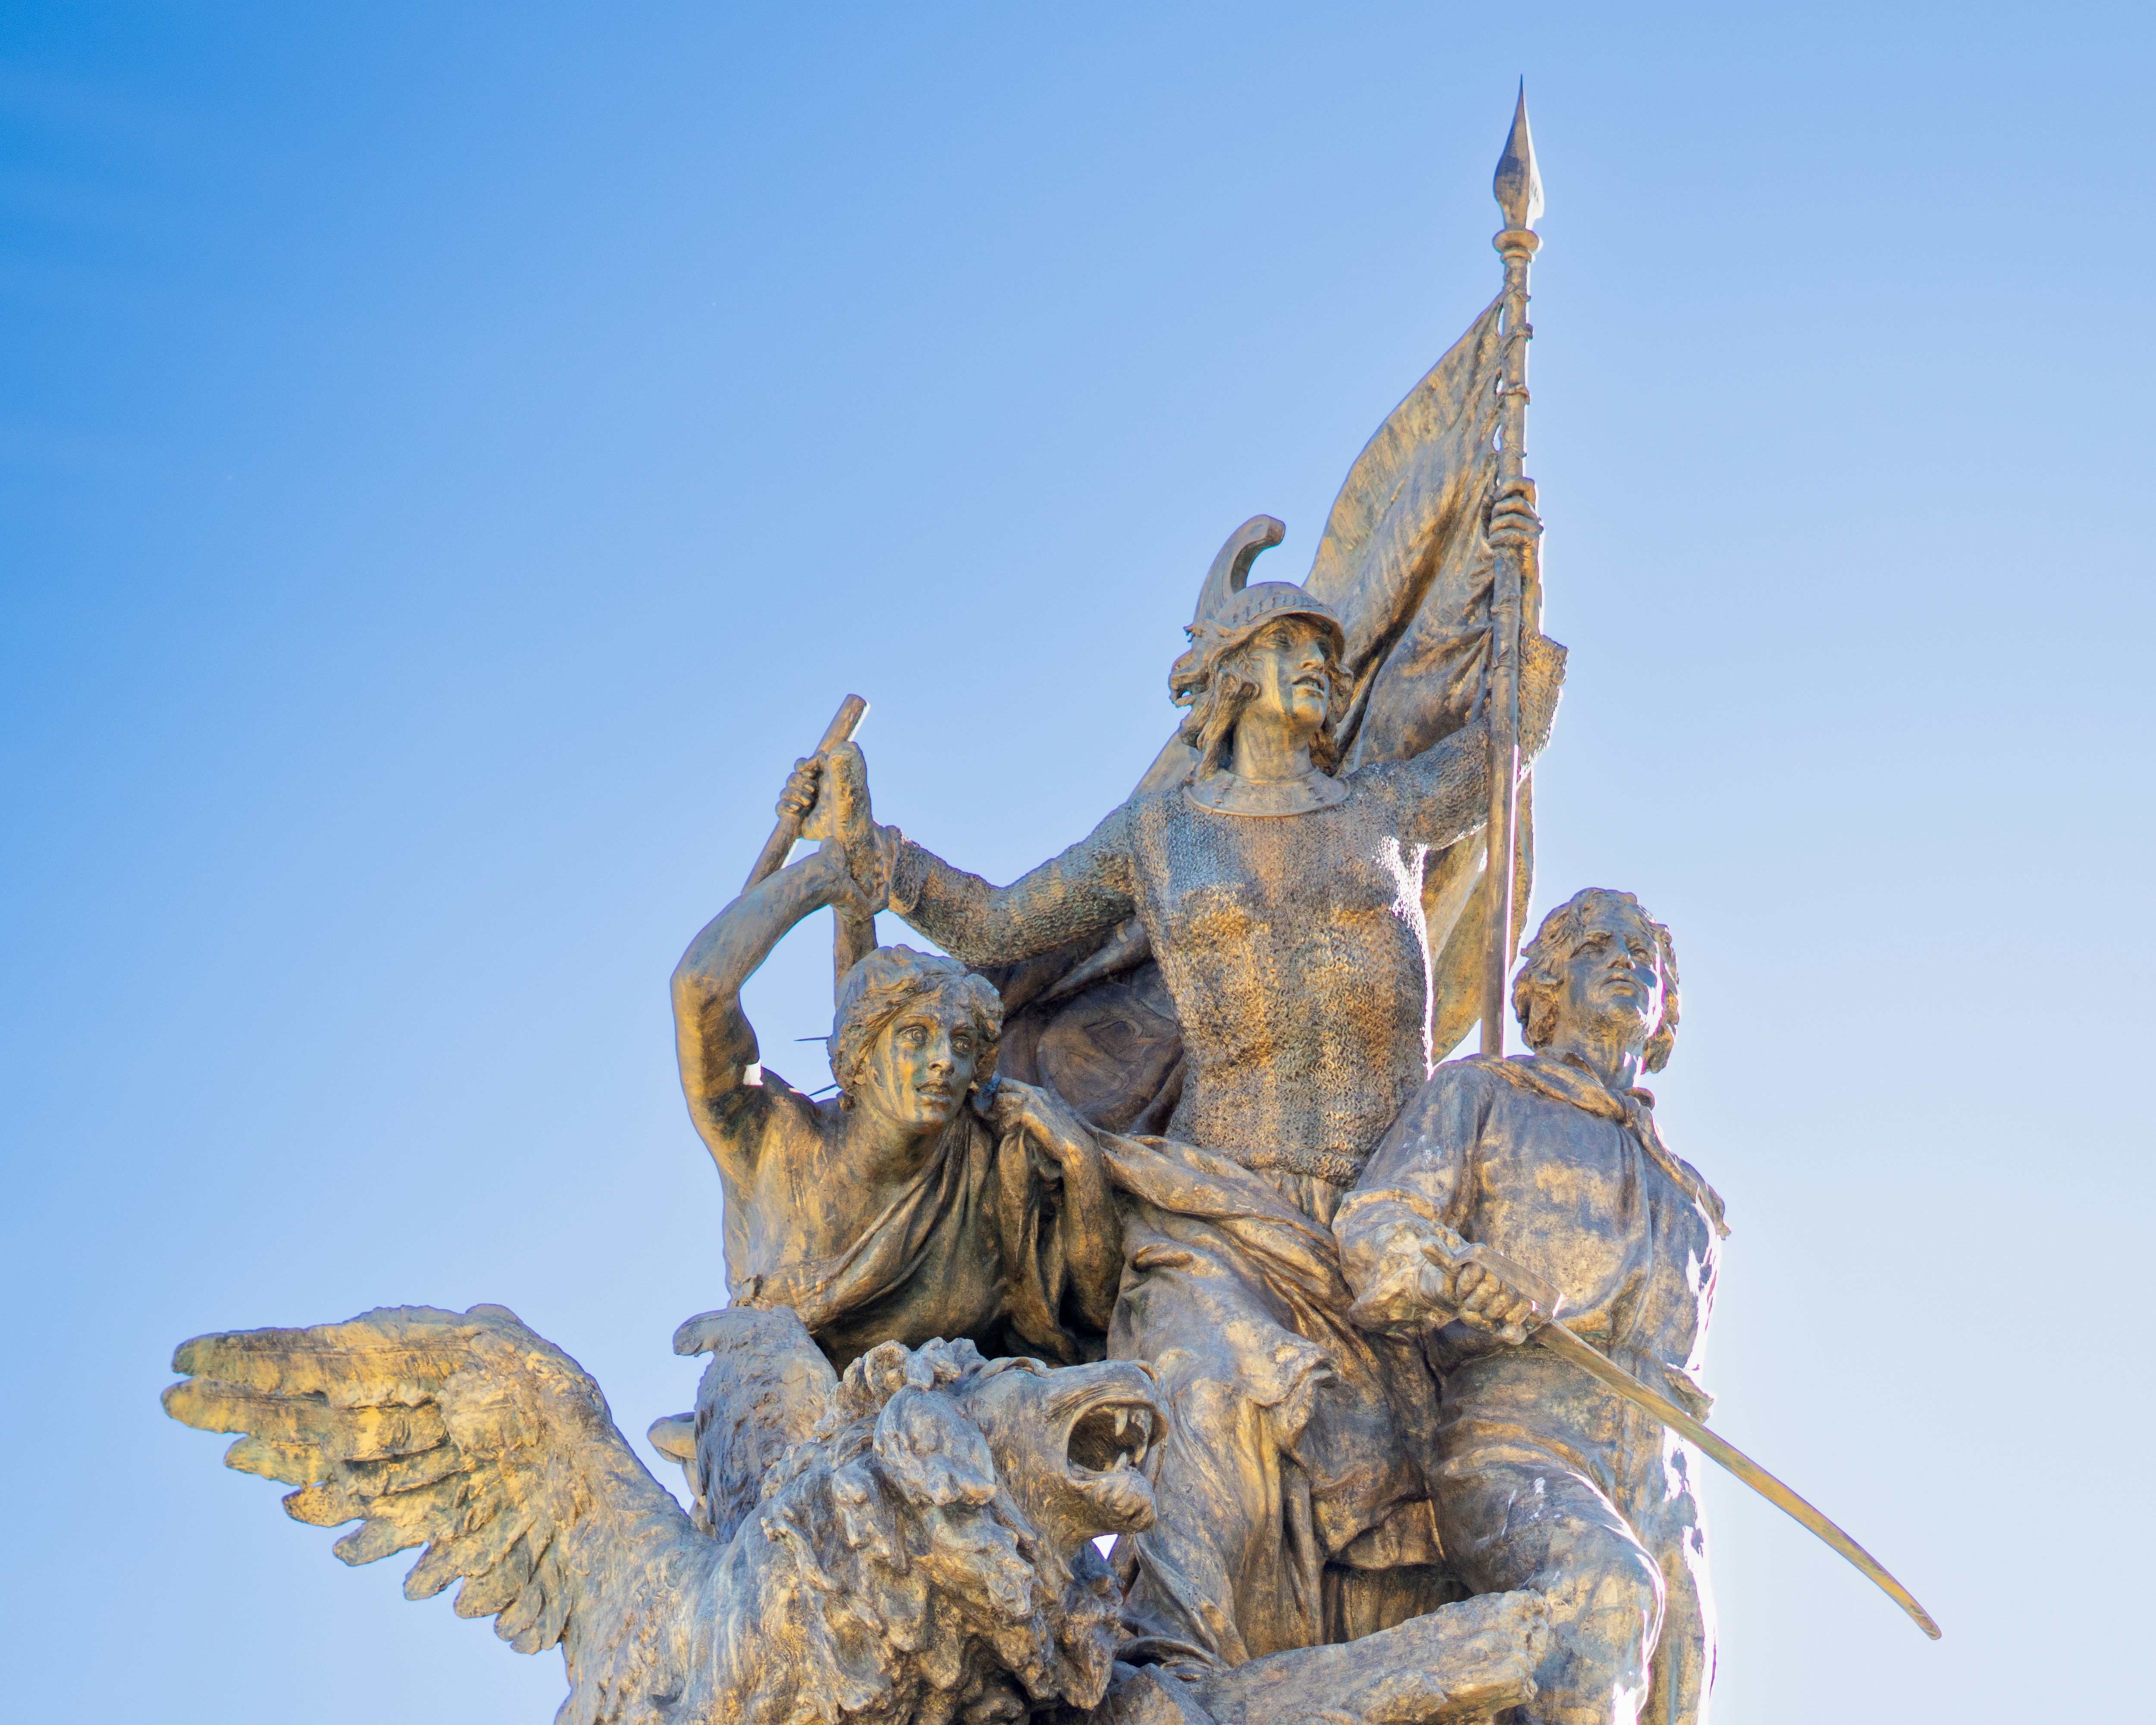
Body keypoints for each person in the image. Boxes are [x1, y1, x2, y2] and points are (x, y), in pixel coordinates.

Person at [775, 485, 1567, 1667]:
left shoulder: (1385, 812)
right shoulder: (1162, 835)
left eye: (1328, 655)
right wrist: (872, 854)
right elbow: (998, 928)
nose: (1323, 669)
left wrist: (1523, 582)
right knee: (1207, 1420)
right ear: (1233, 673)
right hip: (1214, 1213)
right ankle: (1172, 1681)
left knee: (1454, 1503)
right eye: (1297, 645)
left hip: (1381, 1227)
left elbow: (1502, 749)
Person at [1334, 888, 1727, 1725]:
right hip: (1518, 1432)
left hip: (1662, 1471)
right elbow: (1377, 1224)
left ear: (1665, 1012)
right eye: (1594, 945)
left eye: (1643, 952)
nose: (1627, 960)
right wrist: (1462, 1266)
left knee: (1681, 1680)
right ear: (1542, 988)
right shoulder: (1483, 1094)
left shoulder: (1692, 1196)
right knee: (1606, 1589)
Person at [671, 742, 1121, 1371]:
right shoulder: (768, 1138)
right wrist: (823, 875)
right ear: (857, 1059)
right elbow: (702, 991)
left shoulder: (987, 1170)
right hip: (789, 1436)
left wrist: (1078, 1159)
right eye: (916, 1038)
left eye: (962, 1045)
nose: (944, 1061)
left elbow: (1100, 1319)